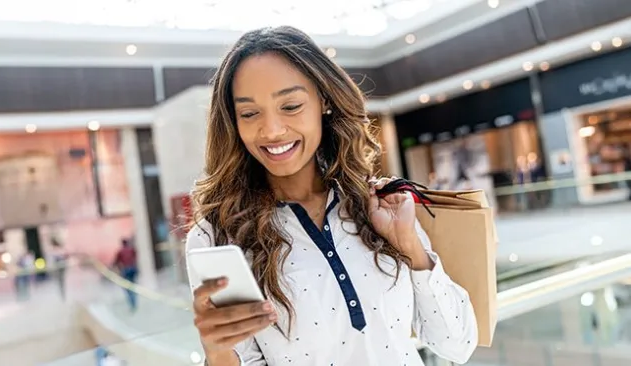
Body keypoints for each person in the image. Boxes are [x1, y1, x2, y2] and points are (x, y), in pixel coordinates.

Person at [187, 26, 478, 366]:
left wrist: (412, 248)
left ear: (323, 101)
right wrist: (218, 350)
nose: (271, 130)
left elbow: (459, 345)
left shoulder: (376, 204)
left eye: (291, 105)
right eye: (250, 113)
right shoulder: (215, 237)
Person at [114, 238, 138, 312]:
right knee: (132, 285)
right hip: (132, 268)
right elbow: (135, 256)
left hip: (126, 270)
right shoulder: (131, 249)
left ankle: (132, 303)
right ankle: (134, 302)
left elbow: (116, 262)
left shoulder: (120, 252)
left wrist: (119, 269)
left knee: (127, 288)